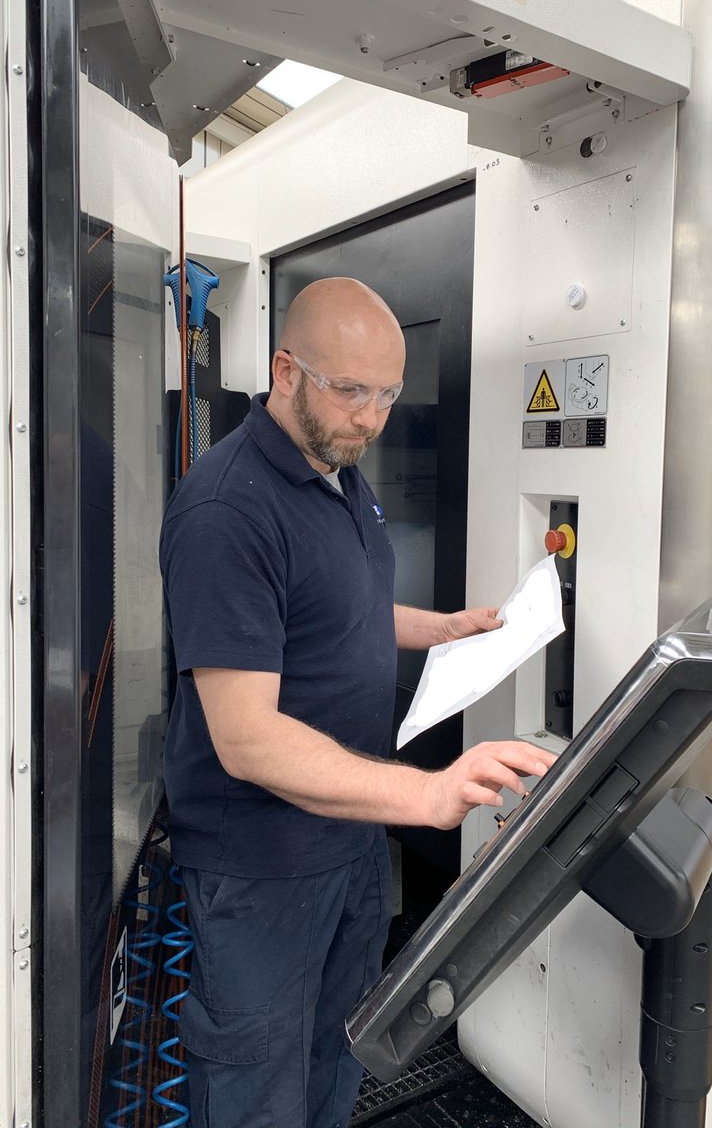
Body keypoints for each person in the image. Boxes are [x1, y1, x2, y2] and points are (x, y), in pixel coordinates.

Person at [159, 277, 556, 1128]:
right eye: (350, 391)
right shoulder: (228, 511)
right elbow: (248, 741)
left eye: (387, 394)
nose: (372, 419)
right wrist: (428, 792)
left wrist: (441, 628)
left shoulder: (340, 478)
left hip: (348, 845)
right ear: (285, 370)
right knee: (256, 1089)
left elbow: (341, 606)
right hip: (260, 869)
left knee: (336, 1057)